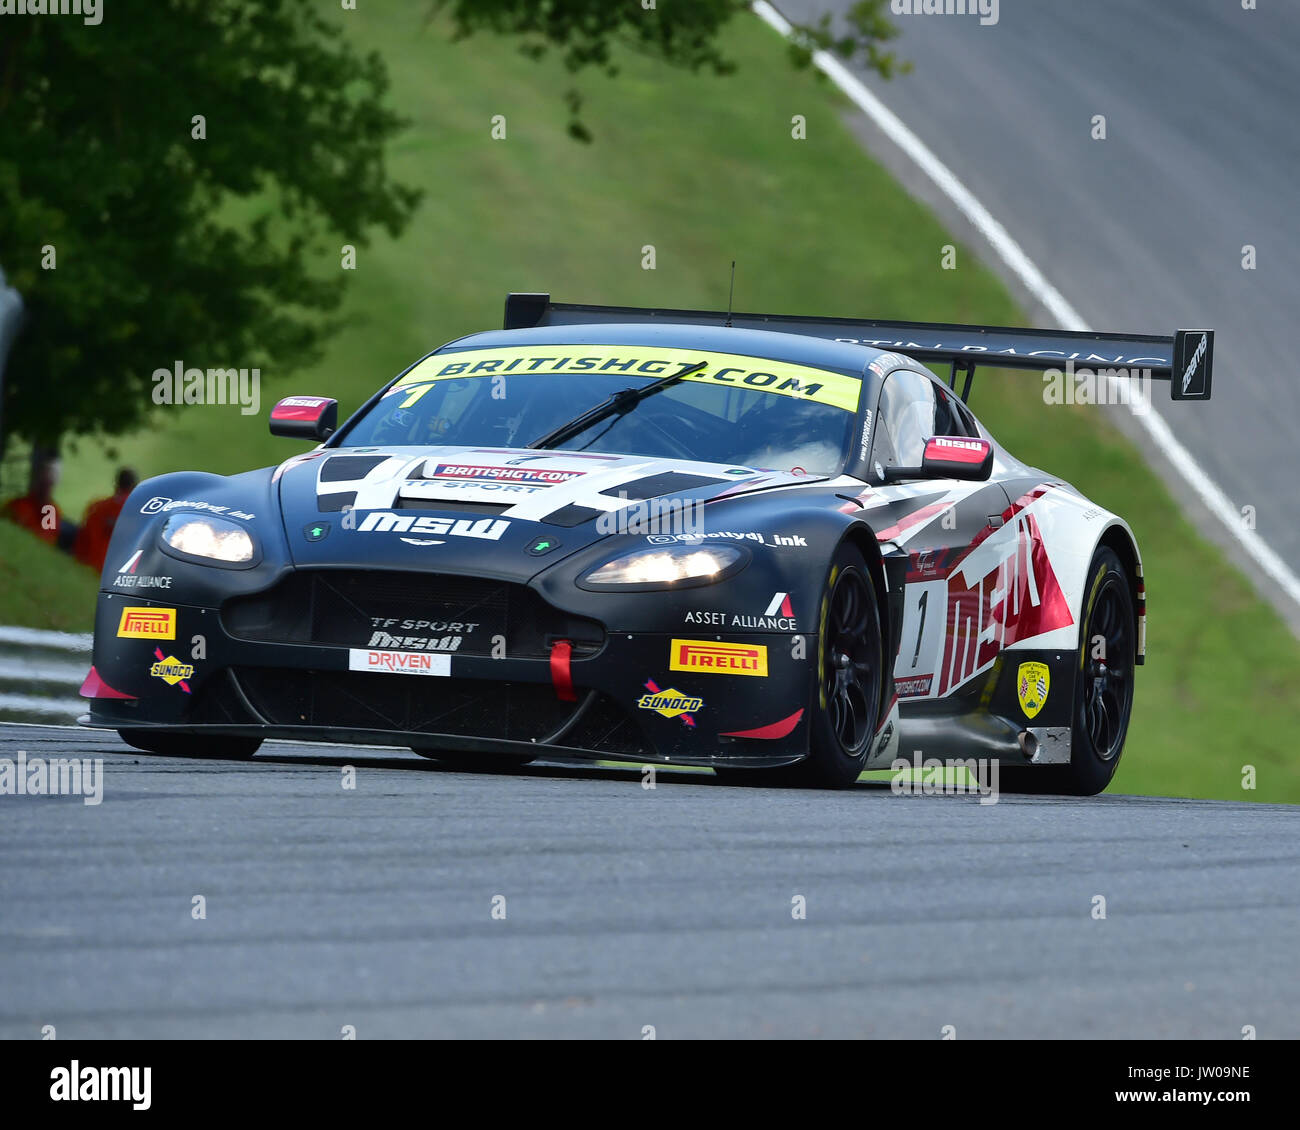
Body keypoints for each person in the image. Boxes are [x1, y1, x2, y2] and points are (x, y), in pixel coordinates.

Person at [74, 467, 138, 572]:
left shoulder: (95, 506)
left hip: (84, 560)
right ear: (134, 487)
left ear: (116, 483)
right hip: (109, 570)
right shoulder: (136, 515)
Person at [2, 447, 64, 547]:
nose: (45, 486)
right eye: (42, 481)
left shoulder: (51, 512)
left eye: (48, 482)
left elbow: (46, 540)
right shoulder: (18, 505)